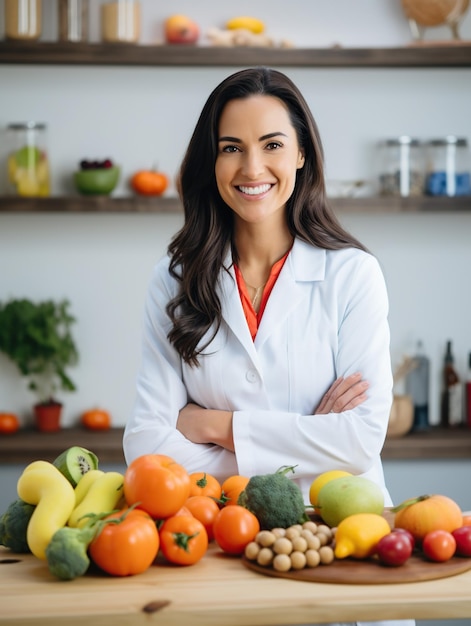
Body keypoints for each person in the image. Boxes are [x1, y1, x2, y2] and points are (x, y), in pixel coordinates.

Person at [123, 67, 414, 626]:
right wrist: (308, 435)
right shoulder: (174, 278)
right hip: (222, 547)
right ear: (212, 162)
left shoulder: (352, 275)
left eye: (272, 145)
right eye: (232, 148)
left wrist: (215, 426)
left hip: (342, 543)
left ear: (302, 154)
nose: (252, 168)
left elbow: (358, 439)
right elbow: (146, 449)